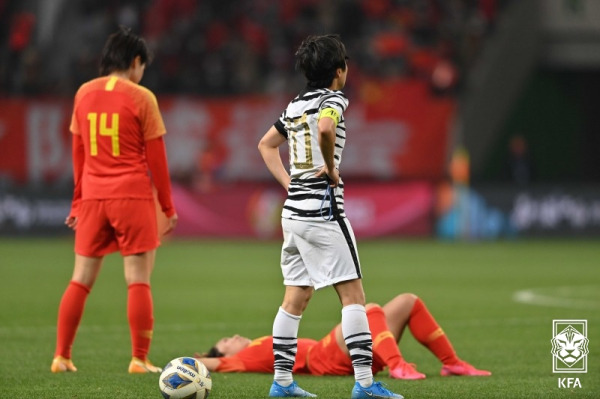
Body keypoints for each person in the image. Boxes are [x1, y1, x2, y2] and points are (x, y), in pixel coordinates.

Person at [257, 34, 402, 399]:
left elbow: (266, 144)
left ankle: (282, 382)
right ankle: (365, 385)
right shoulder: (333, 99)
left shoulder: (293, 105)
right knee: (353, 295)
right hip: (323, 211)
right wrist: (330, 169)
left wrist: (290, 183)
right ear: (339, 71)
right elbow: (325, 127)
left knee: (295, 298)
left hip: (293, 214)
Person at [50, 26, 178, 374]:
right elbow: (157, 159)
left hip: (93, 196)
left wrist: (77, 201)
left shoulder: (83, 93)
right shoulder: (141, 97)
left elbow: (78, 153)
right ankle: (139, 358)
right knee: (137, 277)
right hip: (131, 195)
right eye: (142, 65)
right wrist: (167, 206)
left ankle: (61, 356)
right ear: (136, 61)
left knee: (80, 279)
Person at [195, 294, 491, 380]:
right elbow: (213, 365)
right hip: (325, 359)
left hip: (341, 353)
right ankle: (397, 364)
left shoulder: (254, 345)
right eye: (225, 342)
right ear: (224, 354)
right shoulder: (240, 359)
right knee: (368, 309)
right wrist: (188, 364)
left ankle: (452, 363)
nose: (232, 337)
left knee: (408, 302)